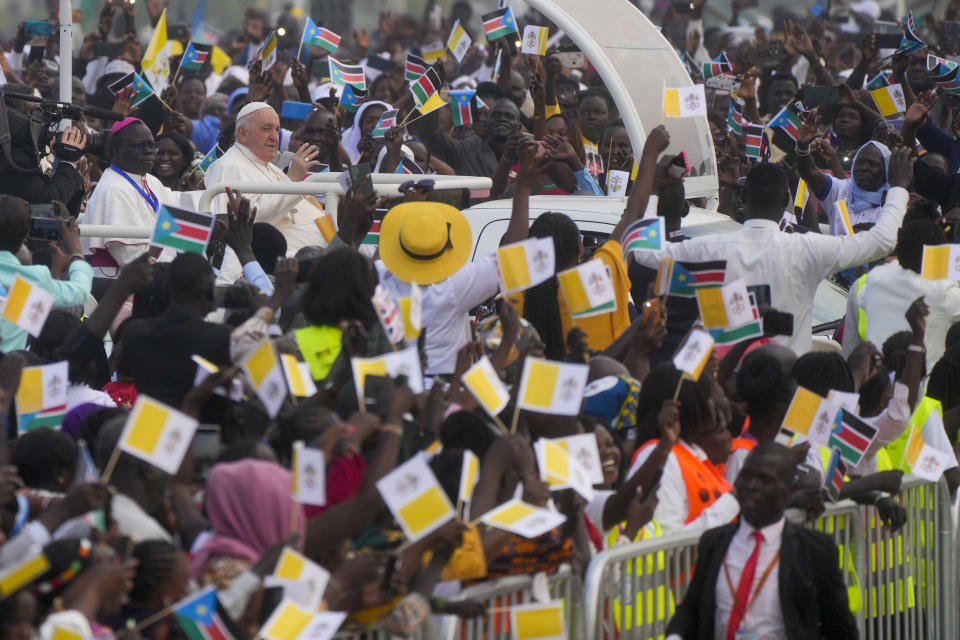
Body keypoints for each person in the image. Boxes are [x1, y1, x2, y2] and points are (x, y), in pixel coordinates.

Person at [631, 151, 914, 355]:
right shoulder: (809, 248)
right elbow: (883, 240)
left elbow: (643, 252)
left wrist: (654, 187)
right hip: (784, 385)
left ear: (743, 198)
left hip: (724, 386)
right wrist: (899, 188)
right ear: (785, 201)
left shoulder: (712, 248)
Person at [665, 442, 858, 640]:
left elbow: (840, 626)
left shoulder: (814, 550)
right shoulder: (714, 542)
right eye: (746, 476)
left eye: (765, 480)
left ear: (789, 490)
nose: (751, 486)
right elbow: (691, 607)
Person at [204, 102, 326, 258]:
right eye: (266, 129)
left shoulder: (266, 165)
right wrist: (293, 179)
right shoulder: (227, 166)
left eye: (276, 129)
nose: (274, 137)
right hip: (281, 260)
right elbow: (248, 224)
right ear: (243, 133)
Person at [117, 252, 232, 409]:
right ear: (211, 293)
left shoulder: (134, 333)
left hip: (147, 426)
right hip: (199, 429)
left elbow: (123, 371)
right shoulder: (223, 338)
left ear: (166, 288)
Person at [842, 220, 960, 369]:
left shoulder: (870, 281)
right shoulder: (946, 293)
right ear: (938, 256)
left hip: (870, 385)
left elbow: (849, 352)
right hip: (919, 387)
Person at [80, 117, 179, 278]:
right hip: (119, 280)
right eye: (140, 146)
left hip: (154, 271)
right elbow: (129, 256)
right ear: (116, 151)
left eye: (152, 145)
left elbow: (178, 207)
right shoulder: (114, 187)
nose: (149, 151)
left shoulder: (150, 181)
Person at [0, 196, 92, 352]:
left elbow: (32, 313)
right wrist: (76, 250)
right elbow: (80, 292)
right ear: (25, 237)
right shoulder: (32, 279)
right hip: (11, 373)